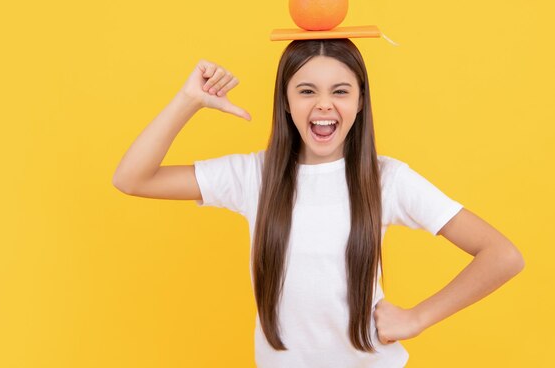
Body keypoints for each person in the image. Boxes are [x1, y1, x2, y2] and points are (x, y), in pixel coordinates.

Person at [112, 38, 525, 368]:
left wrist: (417, 318)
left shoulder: (387, 179)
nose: (324, 104)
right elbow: (132, 178)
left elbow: (502, 255)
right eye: (306, 91)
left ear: (360, 102)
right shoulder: (252, 175)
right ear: (286, 101)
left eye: (340, 91)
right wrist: (189, 100)